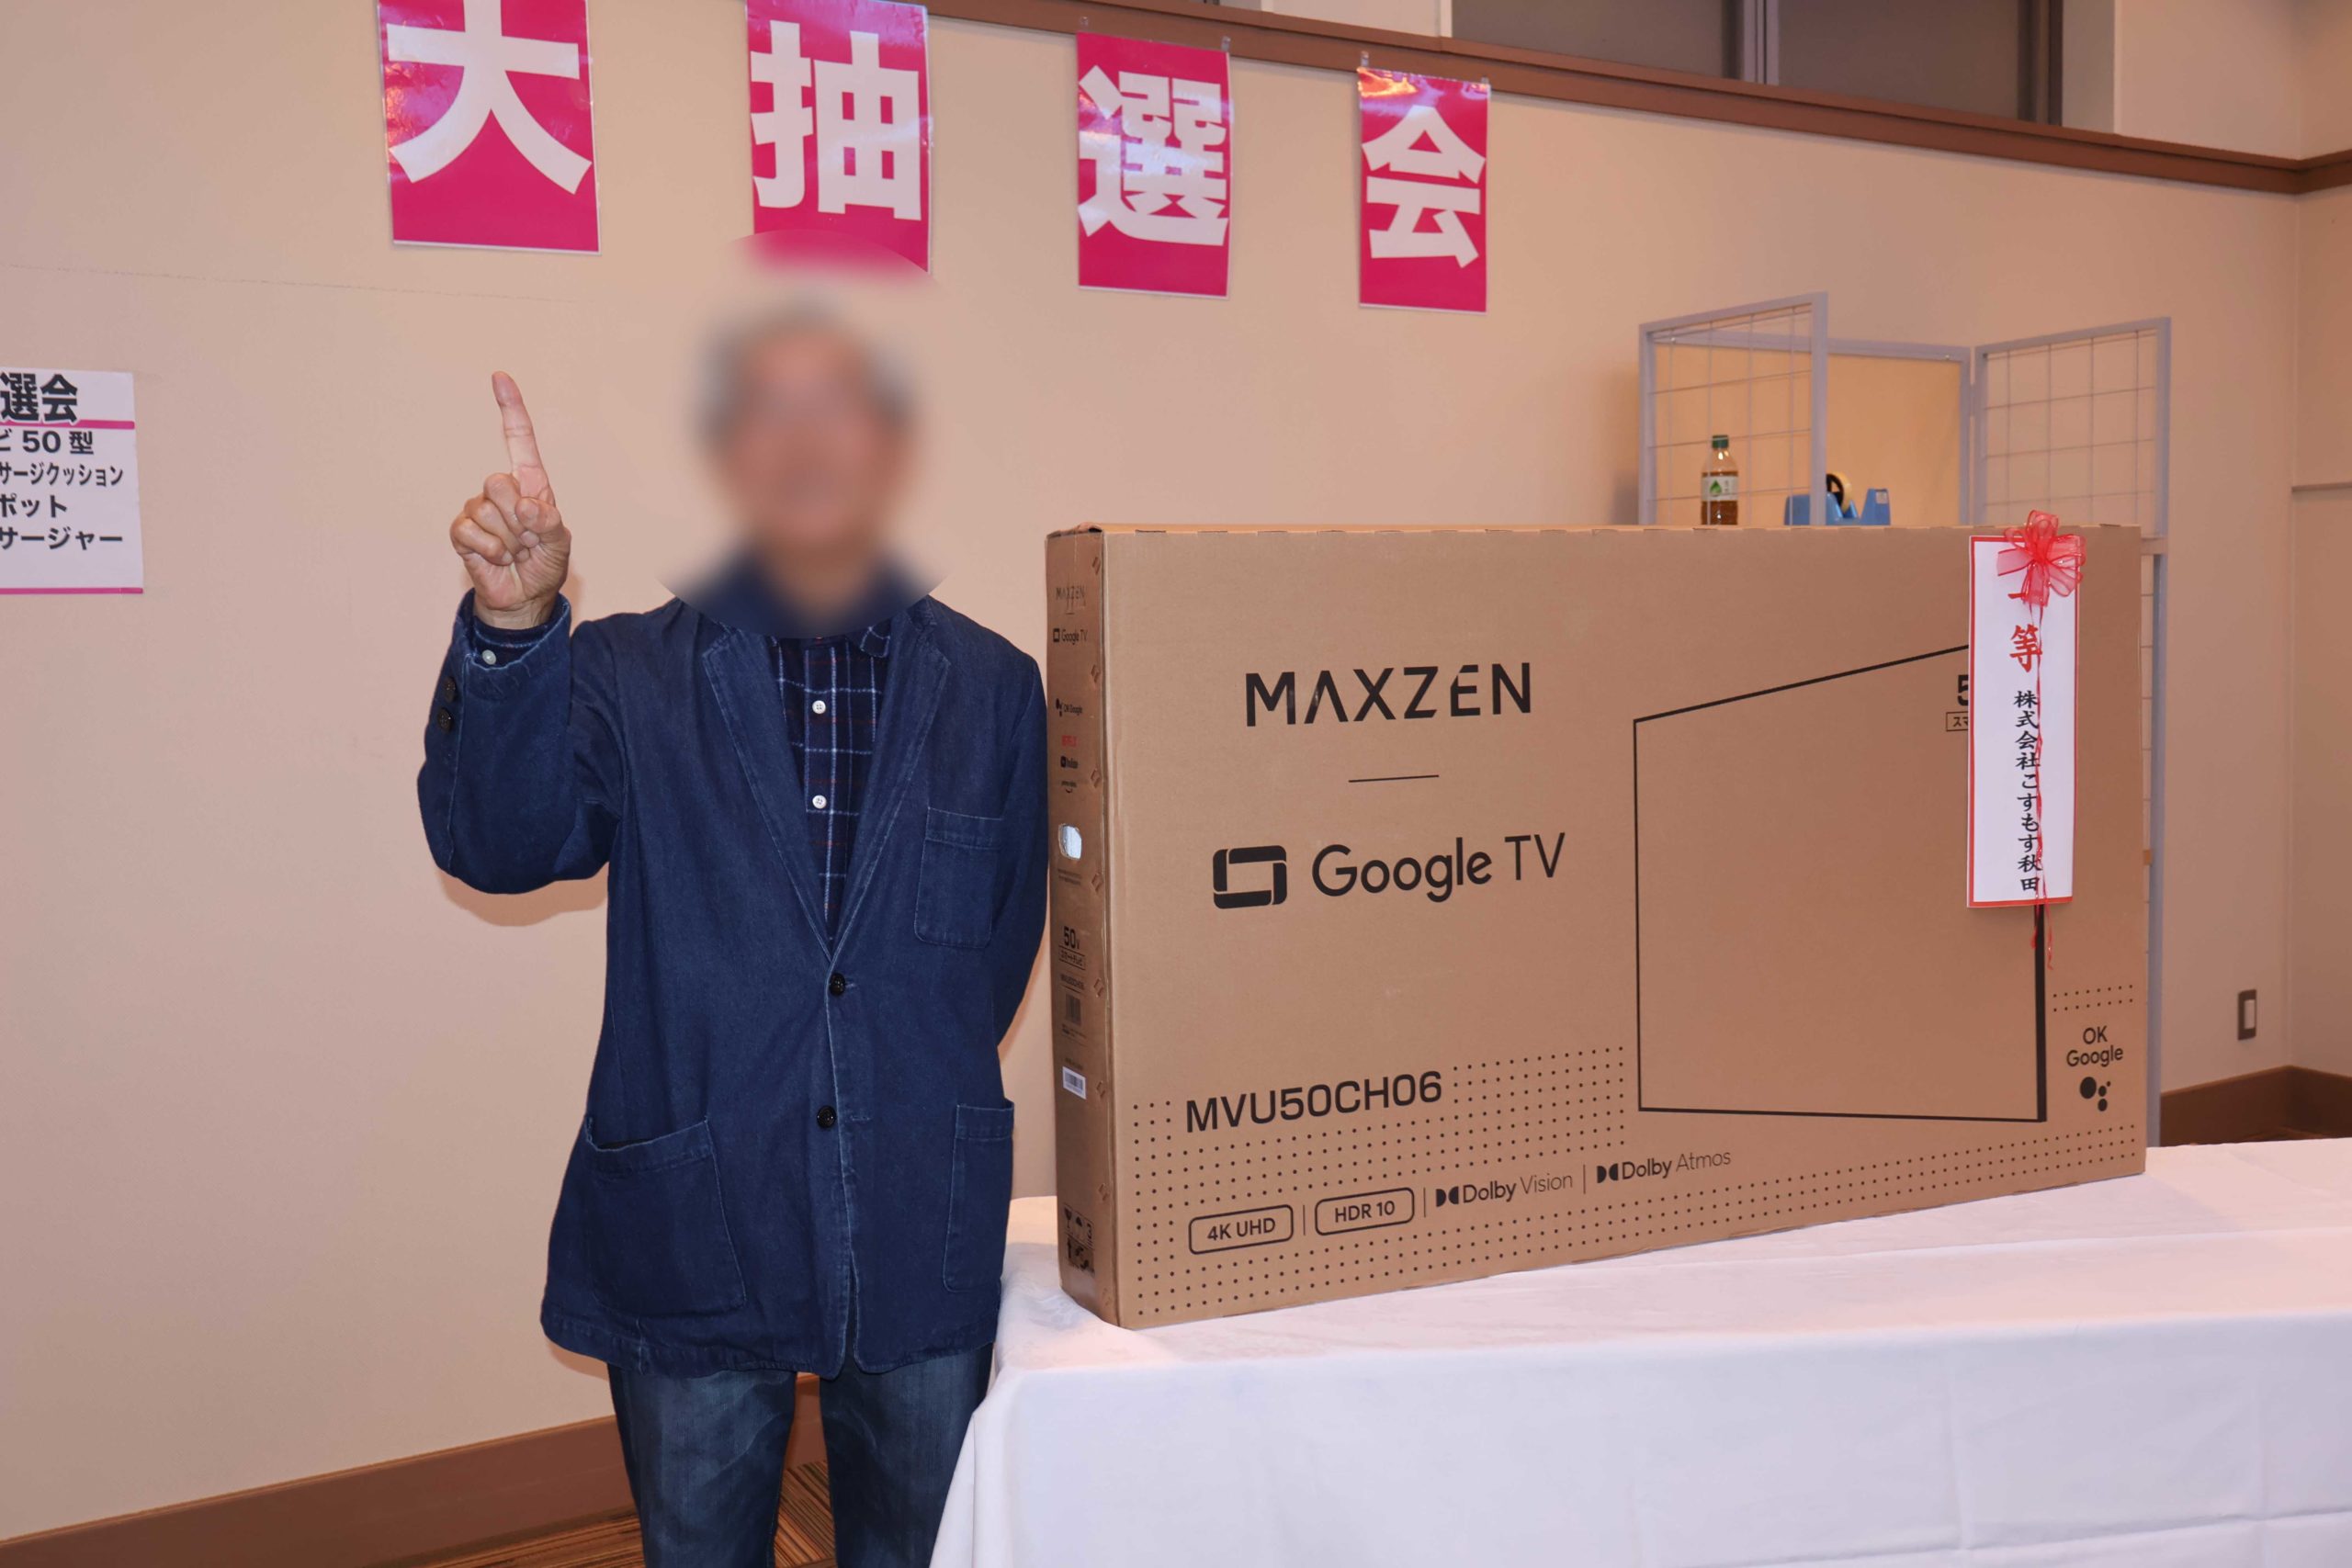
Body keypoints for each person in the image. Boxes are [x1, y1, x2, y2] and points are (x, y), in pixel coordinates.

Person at [417, 308, 1046, 1568]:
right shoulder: (622, 673)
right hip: (694, 1210)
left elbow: (997, 943)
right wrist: (514, 631)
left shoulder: (994, 685)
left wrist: (875, 1068)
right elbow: (497, 843)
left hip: (917, 1205)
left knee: (925, 1550)